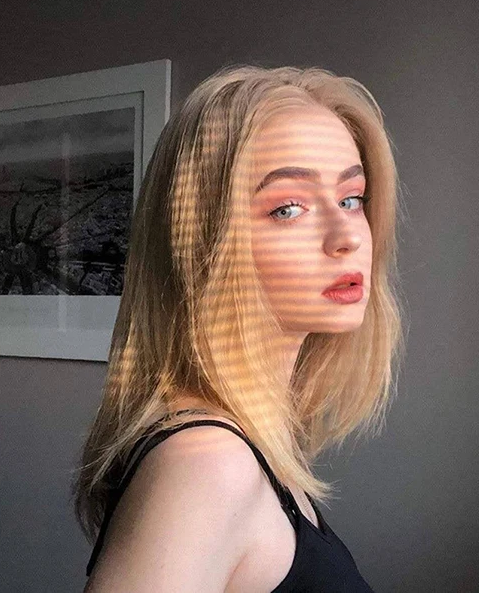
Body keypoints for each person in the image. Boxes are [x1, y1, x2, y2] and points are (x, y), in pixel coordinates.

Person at [71, 63, 403, 592]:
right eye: (288, 208)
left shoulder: (251, 443)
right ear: (201, 241)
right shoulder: (207, 464)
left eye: (351, 199)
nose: (348, 236)